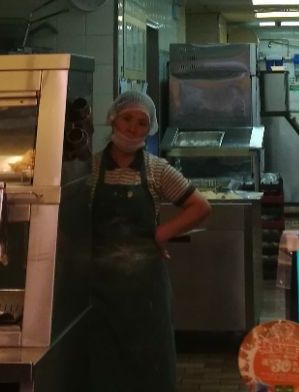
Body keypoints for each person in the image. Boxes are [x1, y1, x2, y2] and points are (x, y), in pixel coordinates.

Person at [89, 91, 211, 392]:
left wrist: (161, 233)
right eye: (127, 119)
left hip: (146, 288)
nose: (132, 128)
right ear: (113, 119)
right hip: (98, 286)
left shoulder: (157, 169)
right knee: (102, 361)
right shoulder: (90, 168)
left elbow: (200, 206)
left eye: (141, 123)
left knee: (150, 360)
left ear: (149, 128)